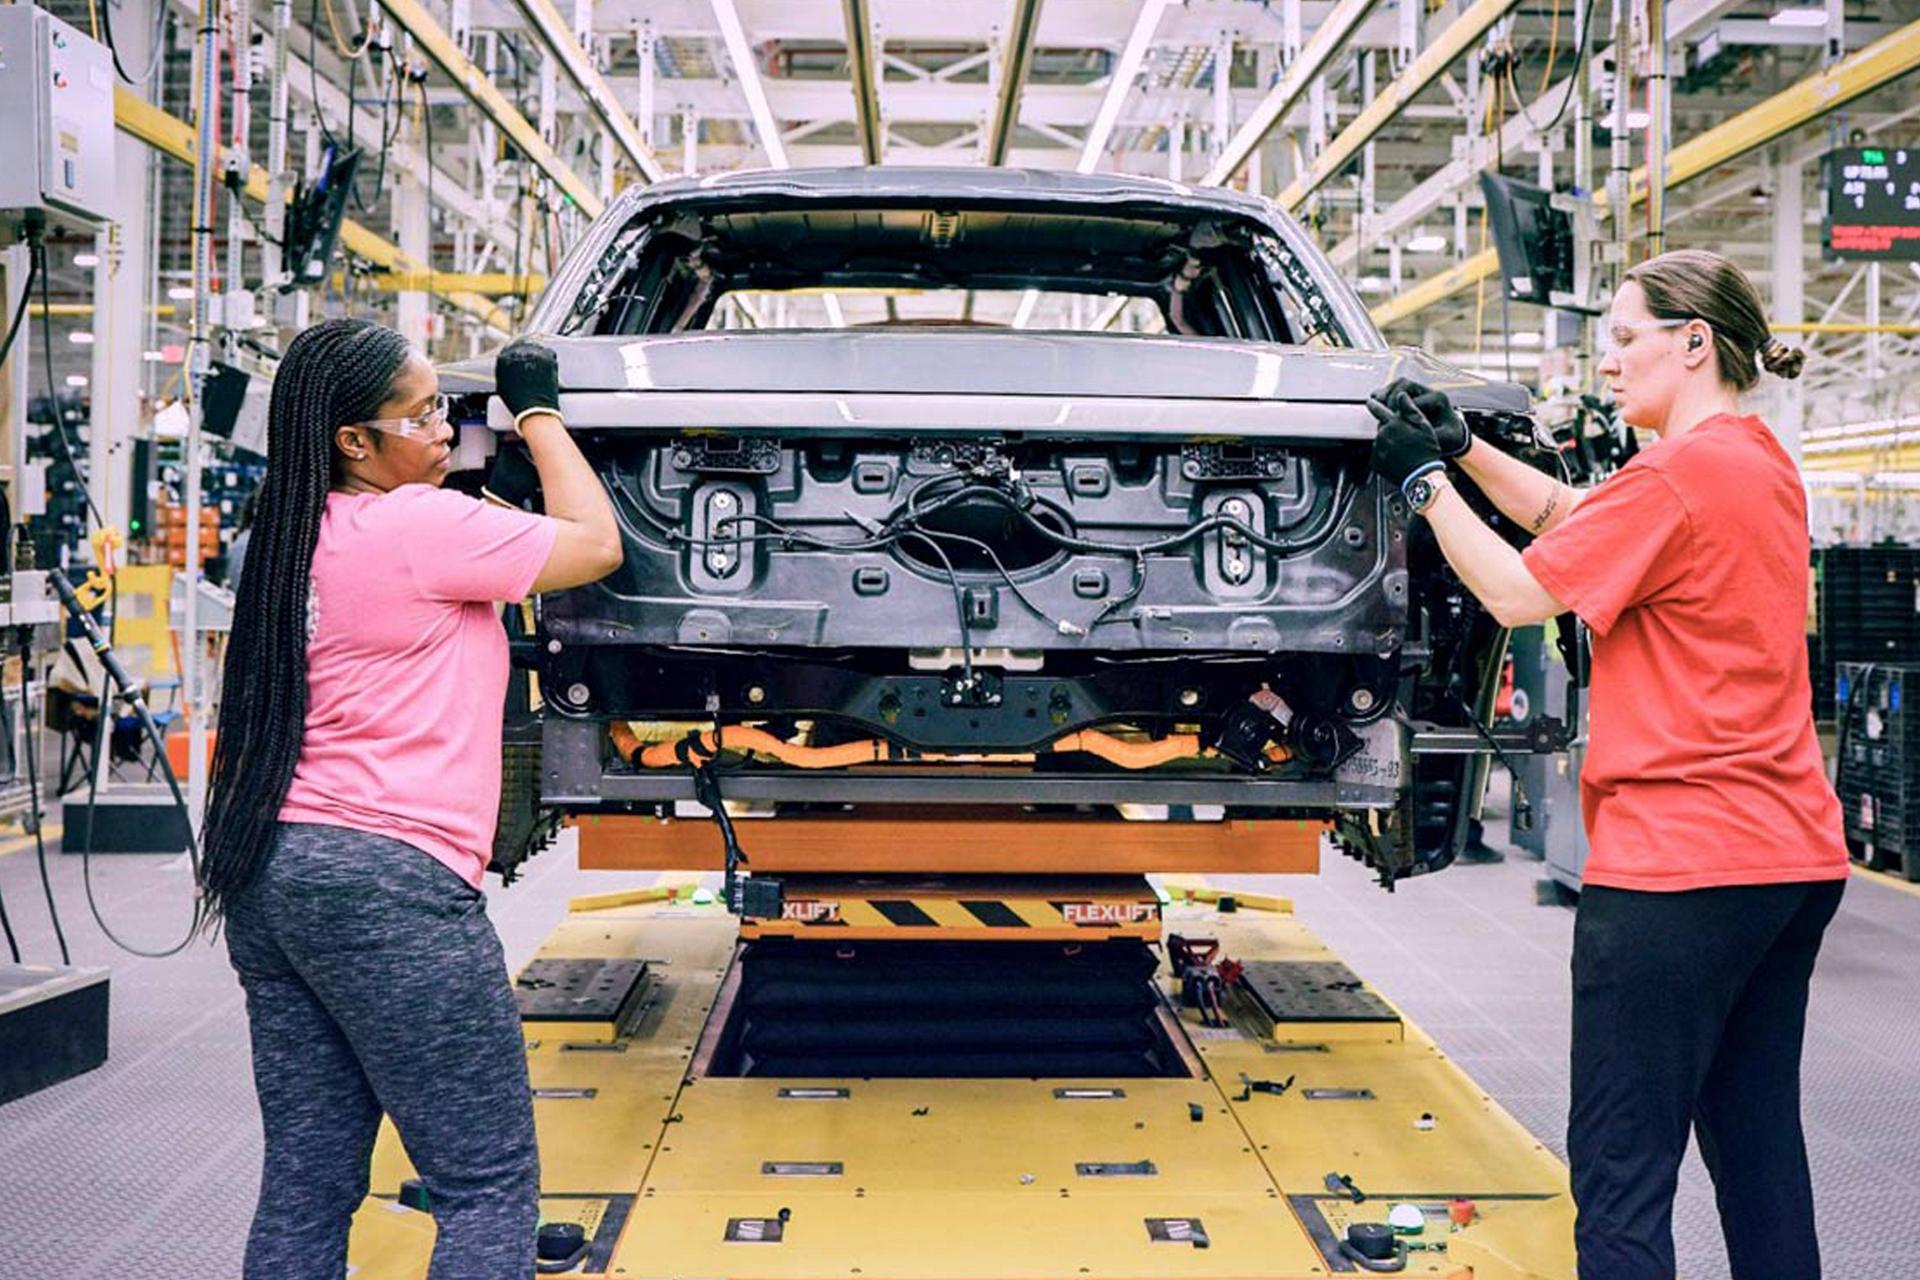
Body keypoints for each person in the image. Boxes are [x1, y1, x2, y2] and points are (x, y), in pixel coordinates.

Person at [1365, 249, 1847, 1280]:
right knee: (1760, 1151)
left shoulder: (1674, 474)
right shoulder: (1754, 461)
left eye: (1627, 338)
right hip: (1788, 861)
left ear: (1693, 341)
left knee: (1622, 1170)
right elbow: (1584, 519)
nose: (1611, 361)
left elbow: (1515, 592)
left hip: (1678, 872)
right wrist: (1471, 456)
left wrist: (1422, 484)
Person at [198, 319, 623, 1280]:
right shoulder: (421, 527)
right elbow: (596, 545)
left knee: (307, 1184)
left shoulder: (292, 532)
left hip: (275, 872)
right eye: (422, 413)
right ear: (354, 441)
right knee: (487, 1185)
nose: (446, 428)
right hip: (389, 885)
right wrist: (540, 416)